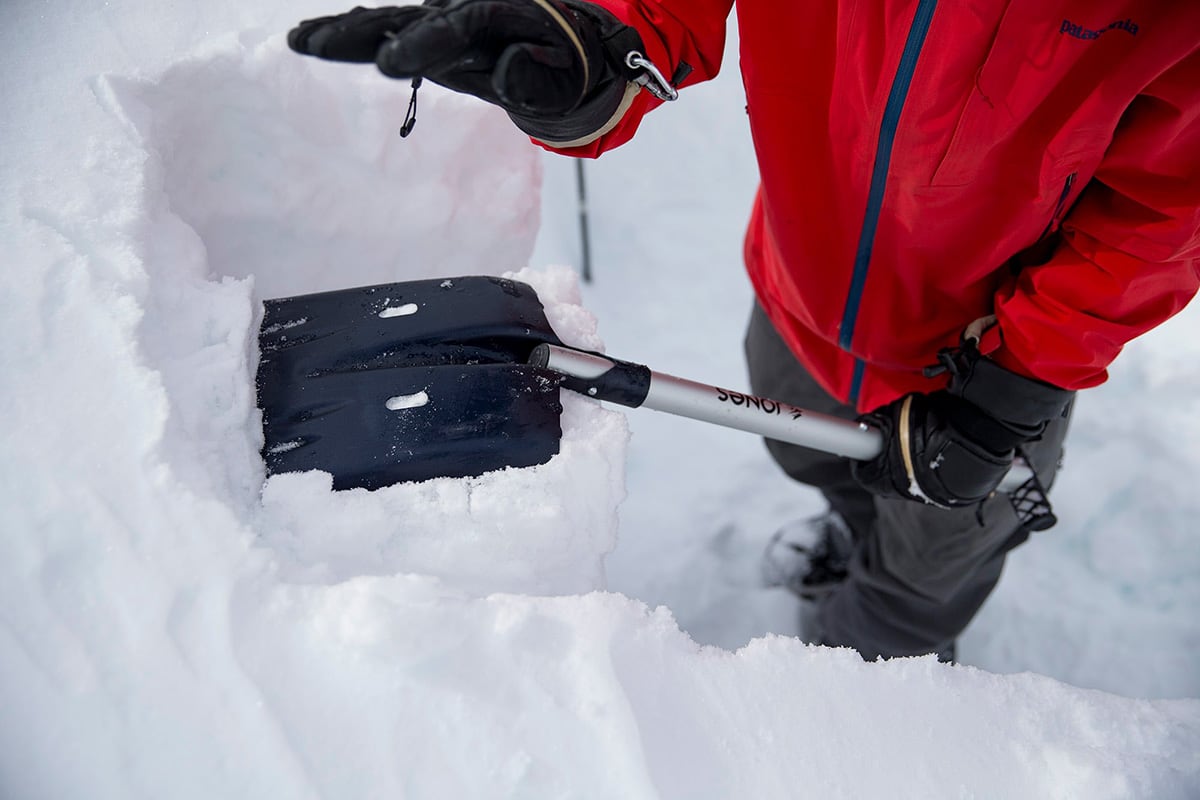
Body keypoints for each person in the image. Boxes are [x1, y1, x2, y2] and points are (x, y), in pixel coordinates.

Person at [287, 0, 1200, 661]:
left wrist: (1013, 388)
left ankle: (862, 675)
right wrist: (598, 34)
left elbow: (1169, 200)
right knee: (809, 453)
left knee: (920, 584)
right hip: (801, 290)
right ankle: (856, 529)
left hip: (988, 360)